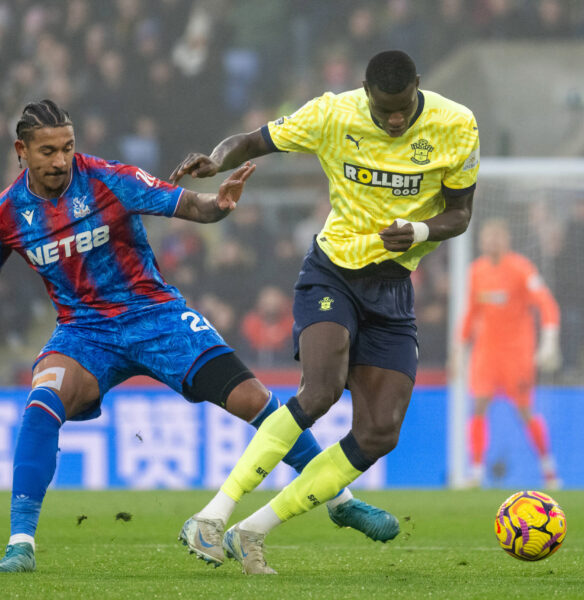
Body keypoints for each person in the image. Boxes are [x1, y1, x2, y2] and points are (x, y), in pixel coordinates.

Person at [0, 99, 391, 573]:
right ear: (21, 150)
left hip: (156, 316)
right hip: (83, 332)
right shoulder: (6, 215)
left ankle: (338, 499)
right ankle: (20, 545)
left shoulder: (107, 178)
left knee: (254, 398)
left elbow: (191, 205)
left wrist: (218, 204)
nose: (60, 160)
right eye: (48, 151)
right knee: (42, 401)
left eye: (68, 148)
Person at [170, 50, 480, 574]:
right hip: (333, 271)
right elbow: (251, 140)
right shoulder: (334, 113)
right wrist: (217, 159)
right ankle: (211, 515)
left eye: (404, 108)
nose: (396, 120)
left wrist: (421, 232)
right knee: (320, 391)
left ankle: (253, 530)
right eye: (385, 112)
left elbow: (461, 212)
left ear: (418, 88)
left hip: (393, 286)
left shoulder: (456, 124)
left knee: (381, 431)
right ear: (365, 92)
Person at [453, 218, 561, 489]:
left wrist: (549, 341)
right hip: (486, 353)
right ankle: (476, 472)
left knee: (525, 409)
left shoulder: (522, 268)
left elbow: (547, 304)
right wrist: (458, 350)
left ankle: (548, 470)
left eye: (497, 236)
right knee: (478, 406)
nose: (491, 241)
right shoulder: (476, 271)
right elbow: (470, 313)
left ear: (507, 239)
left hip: (517, 353)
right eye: (487, 236)